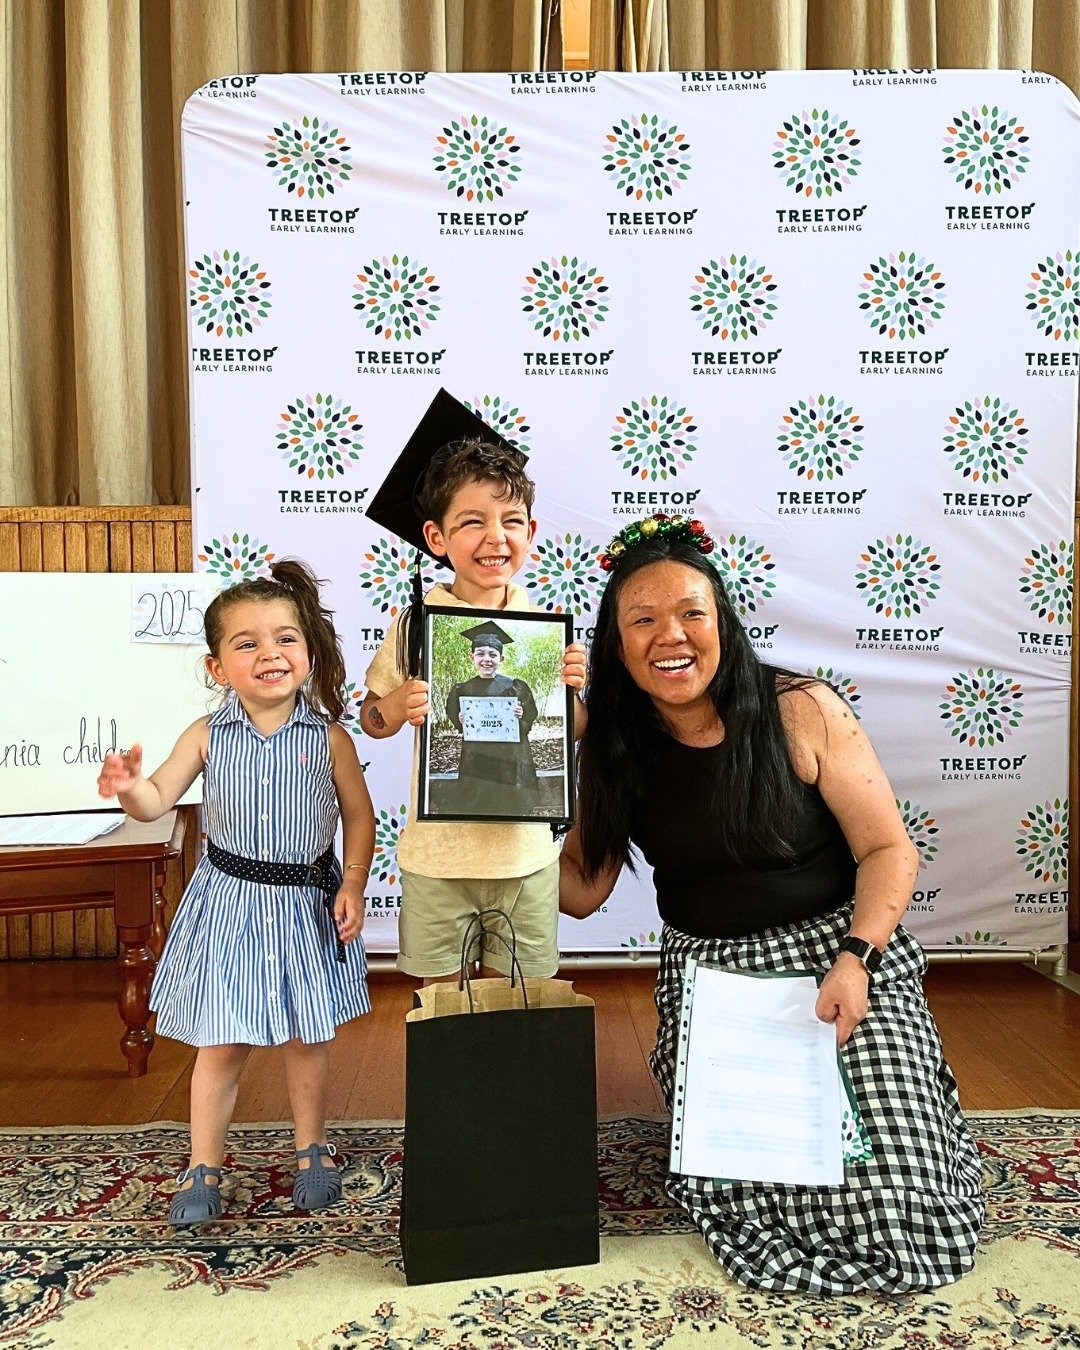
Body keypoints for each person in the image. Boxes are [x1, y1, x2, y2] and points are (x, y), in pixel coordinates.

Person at [558, 513, 984, 1295]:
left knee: (909, 1220)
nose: (671, 635)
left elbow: (889, 850)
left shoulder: (801, 709)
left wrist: (858, 960)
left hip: (840, 961)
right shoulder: (612, 746)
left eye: (691, 613)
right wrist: (509, 788)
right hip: (714, 980)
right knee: (754, 1202)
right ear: (616, 645)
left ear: (722, 621)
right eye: (642, 620)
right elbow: (580, 893)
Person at [96, 559, 373, 1227]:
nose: (268, 654)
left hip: (304, 906)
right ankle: (204, 1163)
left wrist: (356, 883)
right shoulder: (206, 735)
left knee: (308, 1039)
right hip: (229, 904)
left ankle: (311, 1149)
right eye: (246, 644)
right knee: (221, 1043)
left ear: (307, 653)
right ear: (218, 667)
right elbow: (157, 797)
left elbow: (359, 817)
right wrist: (130, 786)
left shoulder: (329, 737)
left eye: (284, 639)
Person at [362, 387, 586, 982]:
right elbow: (371, 721)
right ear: (436, 539)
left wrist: (573, 693)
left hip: (525, 855)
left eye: (511, 521)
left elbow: (571, 732)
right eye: (472, 522)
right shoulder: (415, 625)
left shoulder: (544, 627)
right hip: (439, 856)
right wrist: (394, 704)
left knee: (521, 996)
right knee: (442, 1000)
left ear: (531, 532)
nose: (495, 537)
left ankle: (514, 1080)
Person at [441, 620, 541, 818]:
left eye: (492, 654)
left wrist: (521, 717)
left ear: (501, 658)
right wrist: (461, 719)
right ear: (472, 657)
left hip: (508, 754)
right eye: (480, 653)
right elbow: (452, 713)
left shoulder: (515, 686)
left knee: (508, 798)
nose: (486, 659)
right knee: (478, 799)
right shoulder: (463, 689)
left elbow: (531, 714)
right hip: (477, 753)